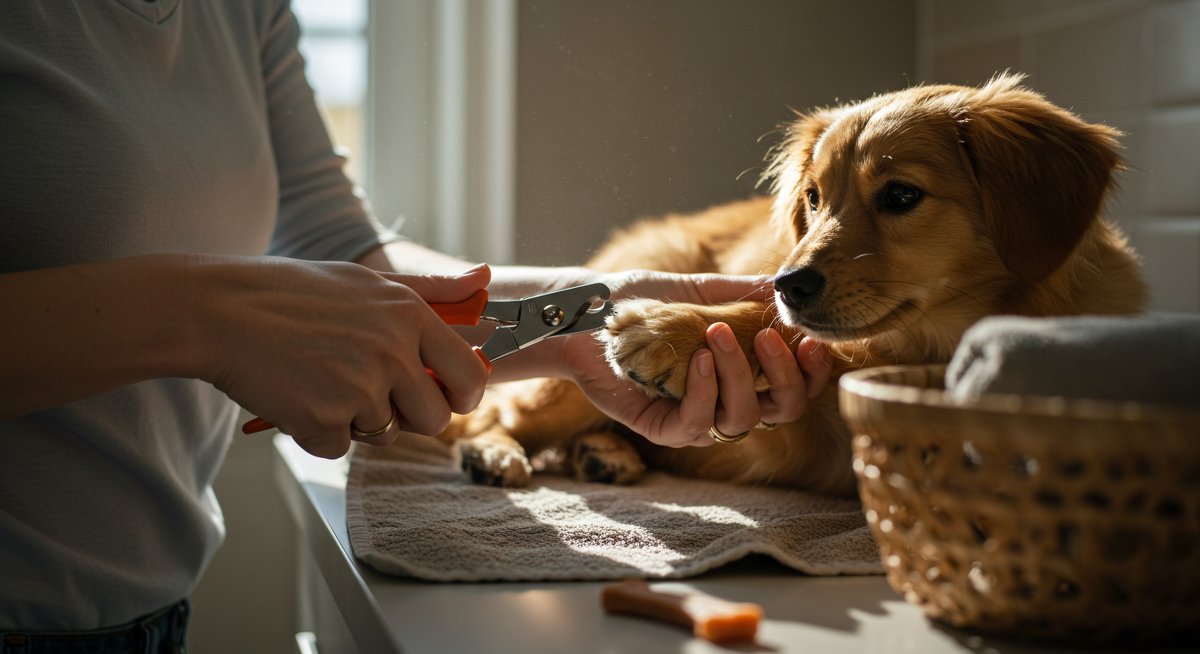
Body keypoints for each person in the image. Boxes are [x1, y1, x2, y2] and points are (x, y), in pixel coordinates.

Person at [0, 0, 831, 650]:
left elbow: (341, 250)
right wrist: (201, 318)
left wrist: (583, 320)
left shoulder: (241, 8)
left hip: (149, 612)